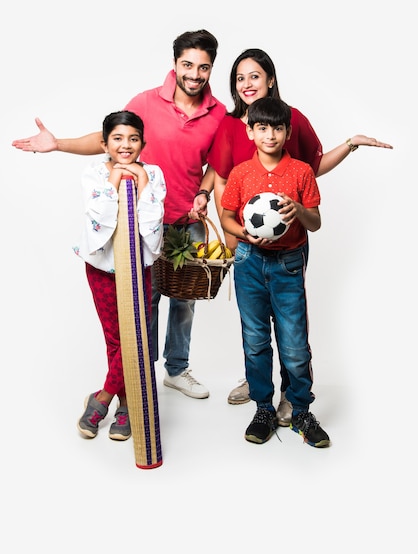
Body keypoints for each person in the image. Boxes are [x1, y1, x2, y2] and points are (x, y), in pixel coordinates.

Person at [12, 29, 226, 400]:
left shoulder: (218, 112)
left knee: (184, 301)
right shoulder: (145, 101)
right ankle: (139, 372)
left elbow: (217, 163)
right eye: (187, 64)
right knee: (146, 302)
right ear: (174, 64)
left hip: (187, 220)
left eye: (203, 67)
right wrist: (59, 143)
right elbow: (110, 135)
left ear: (211, 69)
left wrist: (204, 193)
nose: (195, 74)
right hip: (142, 224)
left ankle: (176, 369)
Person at [207, 48, 393, 419]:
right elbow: (221, 178)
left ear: (270, 79)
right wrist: (234, 239)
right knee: (255, 331)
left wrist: (351, 144)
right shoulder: (230, 126)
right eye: (240, 78)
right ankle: (258, 387)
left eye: (255, 76)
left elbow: (312, 167)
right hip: (247, 244)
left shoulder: (292, 119)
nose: (247, 84)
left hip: (289, 248)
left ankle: (294, 394)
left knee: (291, 333)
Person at [221, 96, 330, 447]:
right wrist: (242, 233)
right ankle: (264, 408)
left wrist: (298, 209)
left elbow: (315, 223)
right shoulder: (241, 173)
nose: (270, 135)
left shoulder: (301, 172)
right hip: (249, 262)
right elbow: (226, 217)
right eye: (262, 127)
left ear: (287, 132)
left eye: (278, 128)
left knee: (295, 344)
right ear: (250, 131)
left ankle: (300, 410)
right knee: (255, 341)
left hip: (288, 264)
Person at [75, 110, 166, 440]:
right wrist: (114, 184)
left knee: (136, 335)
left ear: (143, 142)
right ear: (104, 143)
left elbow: (153, 231)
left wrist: (142, 185)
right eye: (117, 138)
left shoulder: (153, 174)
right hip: (101, 268)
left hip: (137, 270)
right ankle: (126, 400)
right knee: (116, 338)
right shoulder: (94, 174)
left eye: (133, 138)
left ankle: (104, 397)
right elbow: (98, 223)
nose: (126, 145)